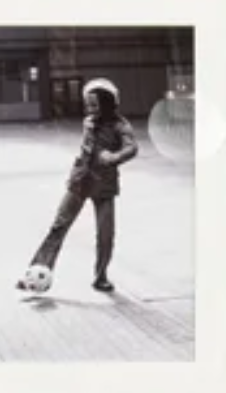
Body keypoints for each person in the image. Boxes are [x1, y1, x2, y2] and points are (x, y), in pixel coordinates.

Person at [18, 78, 137, 298]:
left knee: (105, 235)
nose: (89, 109)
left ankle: (101, 277)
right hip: (80, 182)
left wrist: (113, 157)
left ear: (108, 103)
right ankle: (36, 272)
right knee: (58, 226)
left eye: (94, 105)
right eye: (88, 104)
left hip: (105, 186)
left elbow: (132, 148)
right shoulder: (88, 122)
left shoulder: (121, 126)